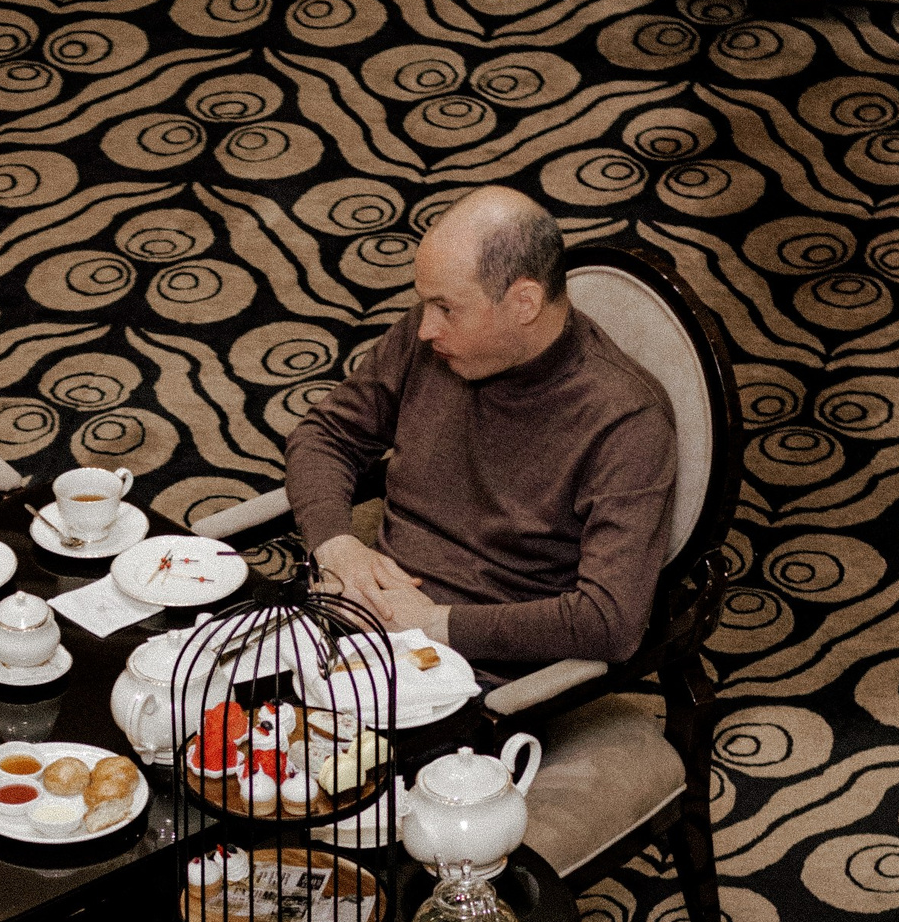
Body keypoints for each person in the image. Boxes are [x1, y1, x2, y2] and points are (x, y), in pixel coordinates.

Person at [286, 186, 677, 678]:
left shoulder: (627, 421)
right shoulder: (433, 339)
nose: (425, 328)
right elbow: (324, 435)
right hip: (354, 623)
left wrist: (432, 624)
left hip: (472, 675)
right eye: (426, 304)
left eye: (447, 308)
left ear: (525, 302)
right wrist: (335, 545)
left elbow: (610, 621)